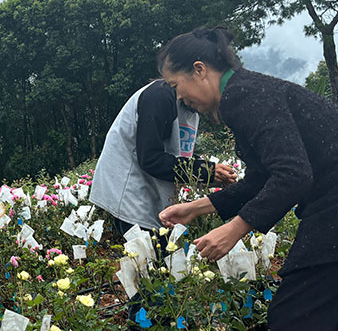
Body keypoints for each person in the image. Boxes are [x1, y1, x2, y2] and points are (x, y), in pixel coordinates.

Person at [158, 27, 338, 331]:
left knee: (295, 322)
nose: (180, 96)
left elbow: (294, 174)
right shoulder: (248, 91)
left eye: (176, 84)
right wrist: (198, 208)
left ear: (199, 70)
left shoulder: (245, 95)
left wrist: (234, 229)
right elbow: (265, 178)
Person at [91, 78, 237, 237]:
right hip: (130, 191)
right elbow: (150, 159)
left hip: (152, 193)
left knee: (162, 253)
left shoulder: (191, 109)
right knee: (147, 256)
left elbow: (177, 154)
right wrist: (204, 171)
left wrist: (212, 175)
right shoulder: (159, 96)